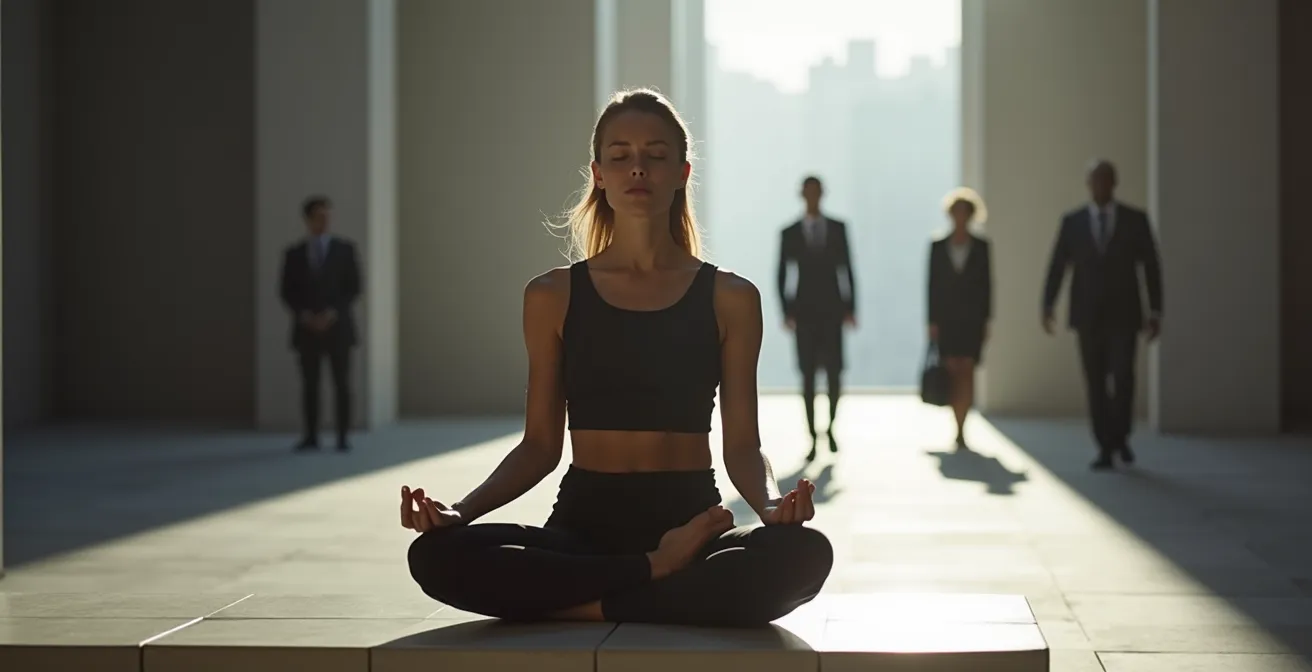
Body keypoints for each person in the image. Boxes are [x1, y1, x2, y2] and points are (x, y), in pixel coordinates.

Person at [401, 89, 833, 627]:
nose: (638, 169)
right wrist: (459, 512)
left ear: (681, 171)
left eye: (655, 155)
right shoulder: (551, 296)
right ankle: (654, 574)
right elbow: (539, 447)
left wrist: (770, 507)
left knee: (806, 554)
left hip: (690, 520)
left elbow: (743, 445)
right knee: (434, 556)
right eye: (620, 156)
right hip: (583, 524)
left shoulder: (731, 297)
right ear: (599, 173)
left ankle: (592, 601)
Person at [1042, 159, 1163, 470]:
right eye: (1095, 180)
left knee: (1123, 377)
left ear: (1114, 183)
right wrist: (1048, 305)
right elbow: (1058, 265)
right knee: (1095, 381)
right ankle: (1105, 446)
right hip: (1088, 315)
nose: (1100, 186)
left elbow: (1150, 266)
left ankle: (1121, 436)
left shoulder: (1135, 220)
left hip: (1124, 314)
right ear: (1088, 184)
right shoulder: (1073, 222)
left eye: (1106, 180)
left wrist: (1156, 309)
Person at [776, 176, 857, 462]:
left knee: (834, 373)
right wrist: (786, 311)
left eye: (816, 192)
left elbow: (847, 268)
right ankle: (812, 436)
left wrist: (851, 307)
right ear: (802, 195)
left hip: (833, 310)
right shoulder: (790, 232)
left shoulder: (837, 228)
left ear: (822, 194)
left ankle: (831, 428)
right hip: (805, 312)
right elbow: (782, 273)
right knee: (808, 375)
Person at [279, 195, 362, 452]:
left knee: (341, 384)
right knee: (310, 385)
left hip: (338, 328)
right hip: (307, 330)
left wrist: (332, 313)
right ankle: (311, 436)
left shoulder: (345, 250)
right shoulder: (294, 254)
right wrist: (305, 316)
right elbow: (286, 291)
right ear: (308, 220)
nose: (324, 221)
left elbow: (354, 288)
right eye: (318, 216)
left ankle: (342, 436)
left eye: (327, 216)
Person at [927, 187, 993, 449]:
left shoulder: (981, 247)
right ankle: (957, 423)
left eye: (965, 212)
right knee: (952, 370)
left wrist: (987, 319)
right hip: (947, 319)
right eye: (956, 211)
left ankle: (962, 426)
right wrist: (932, 321)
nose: (960, 216)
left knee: (967, 370)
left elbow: (988, 285)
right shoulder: (938, 246)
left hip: (972, 319)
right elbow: (931, 286)